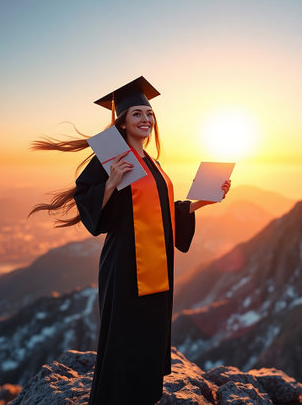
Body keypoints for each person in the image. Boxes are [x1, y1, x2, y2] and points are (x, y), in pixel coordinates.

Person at [29, 76, 231, 404]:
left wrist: (202, 201)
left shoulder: (153, 164)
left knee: (148, 334)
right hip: (125, 265)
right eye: (136, 114)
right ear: (122, 122)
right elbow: (88, 200)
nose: (145, 120)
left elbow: (163, 210)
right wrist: (111, 183)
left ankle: (143, 396)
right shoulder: (112, 159)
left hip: (157, 265)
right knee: (124, 337)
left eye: (149, 114)